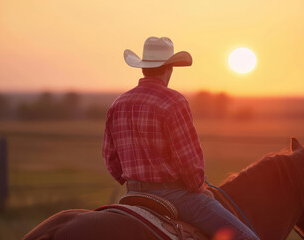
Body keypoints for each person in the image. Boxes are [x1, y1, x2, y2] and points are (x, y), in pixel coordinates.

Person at [103, 36, 259, 240]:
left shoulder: (118, 103)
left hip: (132, 194)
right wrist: (199, 188)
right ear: (170, 68)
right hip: (173, 196)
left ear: (143, 68)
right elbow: (189, 161)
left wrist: (134, 180)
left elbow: (111, 160)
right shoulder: (173, 101)